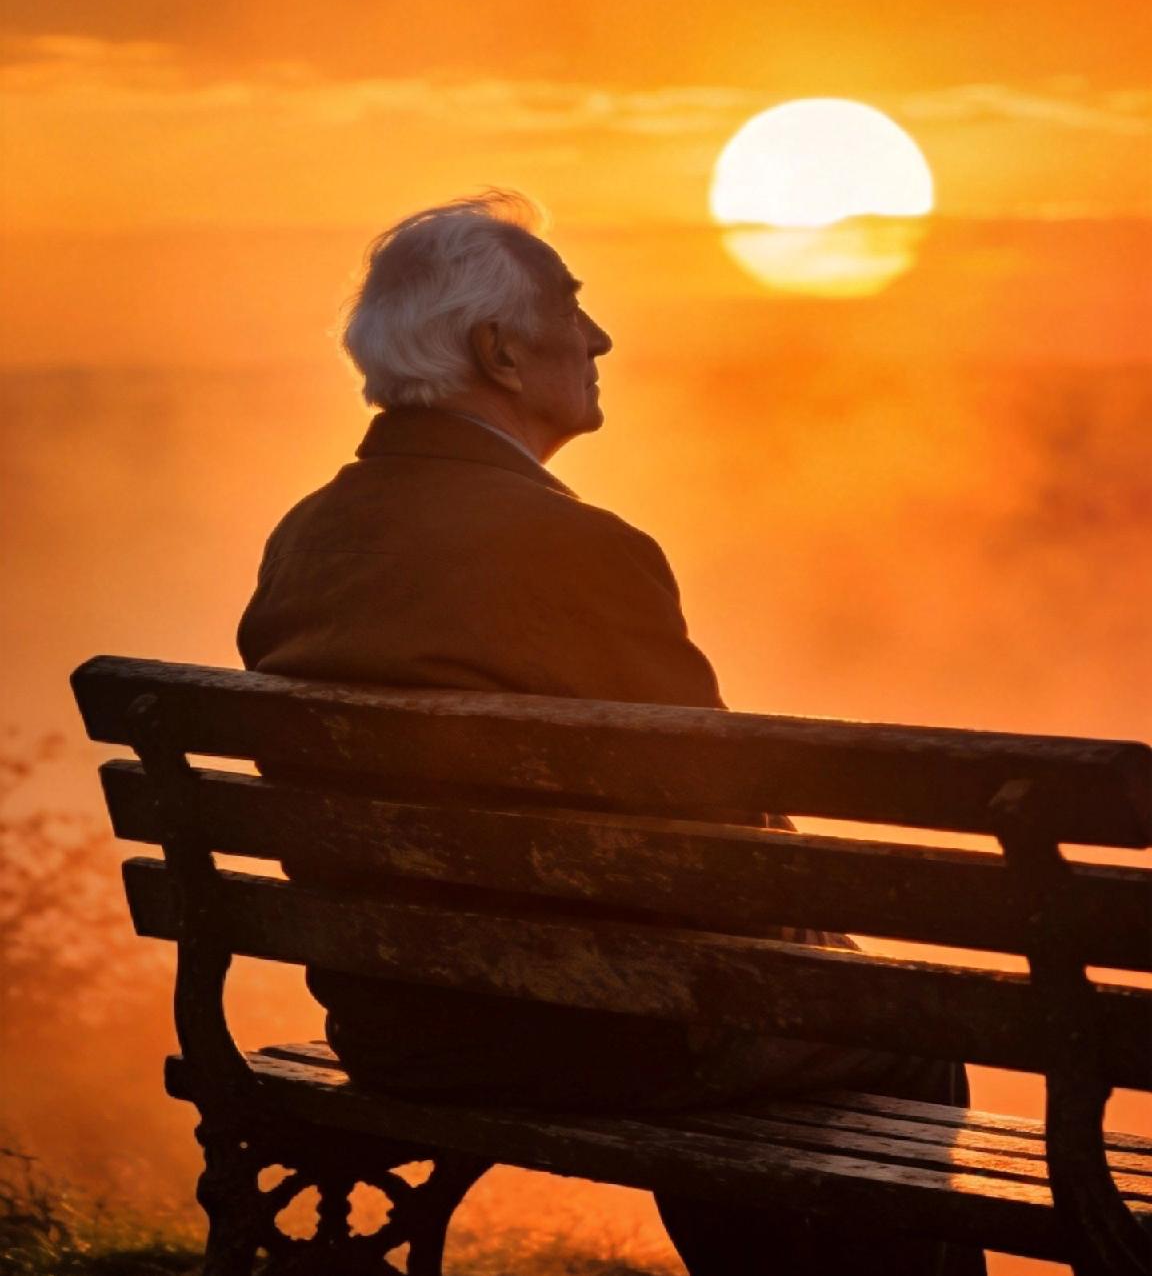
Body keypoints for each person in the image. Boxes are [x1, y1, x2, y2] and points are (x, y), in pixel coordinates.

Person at [238, 190, 984, 1276]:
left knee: (733, 996)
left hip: (399, 1022)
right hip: (580, 1030)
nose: (598, 338)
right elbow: (720, 839)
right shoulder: (576, 547)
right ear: (499, 349)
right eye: (572, 306)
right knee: (903, 1025)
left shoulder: (308, 536)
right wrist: (814, 943)